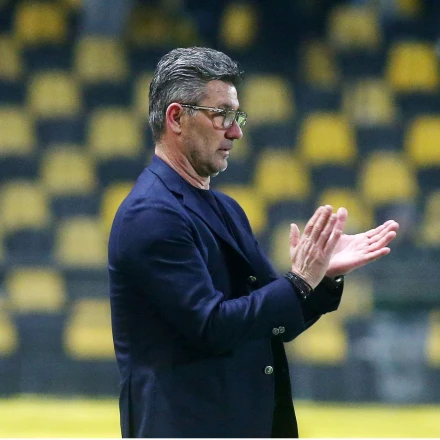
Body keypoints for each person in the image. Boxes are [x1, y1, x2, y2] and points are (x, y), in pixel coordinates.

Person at [108, 47, 399, 438]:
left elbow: (270, 321)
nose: (236, 132)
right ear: (176, 117)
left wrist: (320, 277)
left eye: (237, 116)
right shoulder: (151, 213)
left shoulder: (226, 209)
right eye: (222, 115)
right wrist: (298, 281)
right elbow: (211, 326)